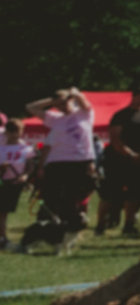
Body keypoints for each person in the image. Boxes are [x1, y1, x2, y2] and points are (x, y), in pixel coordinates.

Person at [20, 90, 99, 253]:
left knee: (72, 200)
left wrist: (73, 94)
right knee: (51, 199)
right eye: (59, 105)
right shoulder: (55, 119)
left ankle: (67, 234)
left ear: (71, 100)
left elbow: (83, 101)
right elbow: (30, 107)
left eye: (65, 103)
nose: (62, 107)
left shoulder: (84, 114)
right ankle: (45, 234)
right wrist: (52, 100)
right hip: (57, 163)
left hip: (80, 161)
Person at [97, 86, 140, 237]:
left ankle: (129, 224)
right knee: (110, 194)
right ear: (134, 97)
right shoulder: (121, 115)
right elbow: (115, 138)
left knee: (134, 194)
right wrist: (130, 154)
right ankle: (100, 225)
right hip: (119, 160)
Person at [0, 118, 32, 242]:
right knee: (2, 212)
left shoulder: (25, 148)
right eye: (11, 131)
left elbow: (30, 165)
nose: (14, 134)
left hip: (14, 183)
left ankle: (3, 236)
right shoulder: (1, 148)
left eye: (17, 131)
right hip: (3, 182)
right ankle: (3, 237)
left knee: (4, 212)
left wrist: (26, 175)